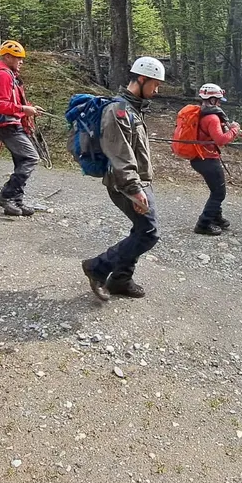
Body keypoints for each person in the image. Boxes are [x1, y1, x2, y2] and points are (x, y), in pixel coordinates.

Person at [81, 57, 165, 301]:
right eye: (155, 85)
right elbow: (120, 155)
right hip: (125, 184)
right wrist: (134, 189)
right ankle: (97, 267)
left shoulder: (133, 110)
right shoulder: (118, 111)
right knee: (149, 232)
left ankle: (120, 280)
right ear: (141, 79)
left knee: (141, 229)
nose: (156, 91)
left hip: (136, 181)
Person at [0, 40, 44, 217]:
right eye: (18, 58)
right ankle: (6, 195)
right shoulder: (2, 75)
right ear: (7, 57)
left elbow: (13, 101)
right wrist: (23, 110)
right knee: (30, 158)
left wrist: (30, 109)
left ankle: (16, 201)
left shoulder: (8, 74)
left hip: (12, 122)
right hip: (6, 124)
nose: (21, 61)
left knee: (22, 161)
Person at [190, 83, 240, 236]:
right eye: (218, 100)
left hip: (198, 158)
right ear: (212, 100)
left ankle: (216, 217)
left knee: (215, 189)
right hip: (208, 159)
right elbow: (221, 140)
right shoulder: (212, 117)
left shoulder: (200, 112)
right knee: (219, 192)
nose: (219, 103)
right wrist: (234, 130)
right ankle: (204, 224)